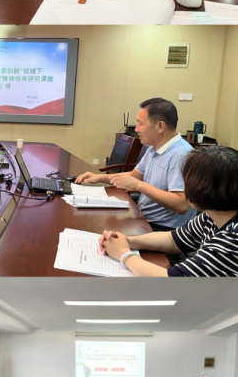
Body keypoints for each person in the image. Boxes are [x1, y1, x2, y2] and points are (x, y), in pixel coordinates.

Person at [98, 145, 238, 277]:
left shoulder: (231, 241)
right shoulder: (212, 216)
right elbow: (173, 240)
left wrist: (124, 254)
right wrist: (127, 241)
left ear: (203, 189)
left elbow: (171, 283)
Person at [77, 98, 194, 236]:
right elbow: (133, 176)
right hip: (143, 217)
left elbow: (182, 205)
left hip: (164, 230)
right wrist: (98, 177)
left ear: (160, 126)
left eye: (140, 123)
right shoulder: (154, 148)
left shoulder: (181, 156)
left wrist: (138, 185)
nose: (136, 129)